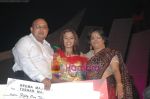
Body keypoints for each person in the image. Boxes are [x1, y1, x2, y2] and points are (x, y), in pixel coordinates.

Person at [85, 28, 134, 99]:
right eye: (92, 38)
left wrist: (119, 84)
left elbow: (115, 70)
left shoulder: (110, 53)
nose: (95, 40)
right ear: (90, 42)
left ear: (103, 40)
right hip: (91, 90)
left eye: (98, 37)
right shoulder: (87, 56)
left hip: (107, 88)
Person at [12, 18, 54, 90]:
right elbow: (25, 62)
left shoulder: (49, 47)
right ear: (31, 29)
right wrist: (42, 79)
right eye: (38, 27)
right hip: (26, 82)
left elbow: (53, 67)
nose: (41, 29)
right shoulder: (25, 41)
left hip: (47, 84)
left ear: (48, 30)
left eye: (44, 27)